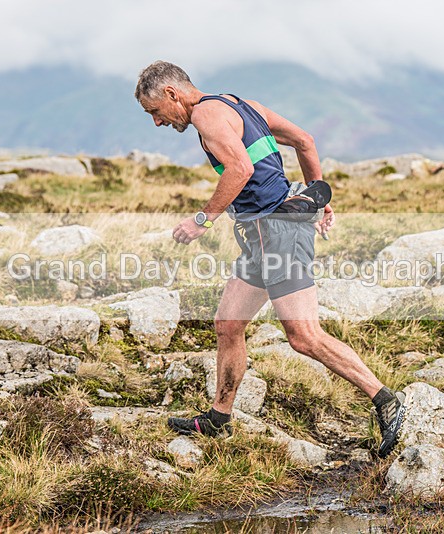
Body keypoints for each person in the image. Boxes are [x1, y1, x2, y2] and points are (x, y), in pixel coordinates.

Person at [134, 60, 405, 458]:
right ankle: (218, 417)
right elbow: (306, 141)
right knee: (228, 324)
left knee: (304, 336)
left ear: (172, 94)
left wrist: (202, 220)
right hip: (261, 237)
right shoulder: (242, 105)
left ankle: (387, 401)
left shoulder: (207, 115)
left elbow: (240, 169)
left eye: (155, 111)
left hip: (278, 233)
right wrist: (317, 195)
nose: (157, 122)